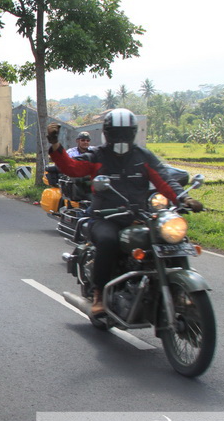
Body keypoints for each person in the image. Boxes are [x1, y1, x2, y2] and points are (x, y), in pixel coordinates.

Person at [47, 108, 204, 314]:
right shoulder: (98, 155)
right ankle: (99, 293)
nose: (121, 137)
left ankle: (174, 289)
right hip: (104, 216)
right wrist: (55, 145)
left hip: (139, 216)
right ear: (108, 133)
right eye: (116, 133)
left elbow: (164, 179)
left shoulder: (143, 156)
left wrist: (184, 198)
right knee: (108, 240)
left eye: (125, 133)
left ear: (132, 133)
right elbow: (72, 167)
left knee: (169, 239)